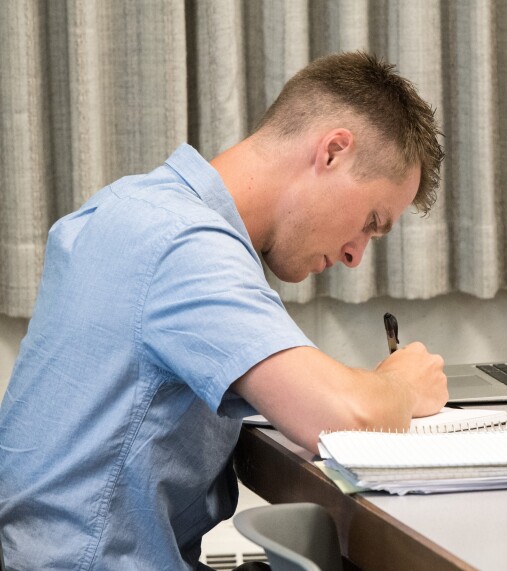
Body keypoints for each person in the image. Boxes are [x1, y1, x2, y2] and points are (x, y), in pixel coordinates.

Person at [0, 51, 447, 570]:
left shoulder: (133, 205)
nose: (355, 254)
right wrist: (403, 386)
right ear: (333, 152)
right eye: (371, 220)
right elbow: (343, 416)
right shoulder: (185, 245)